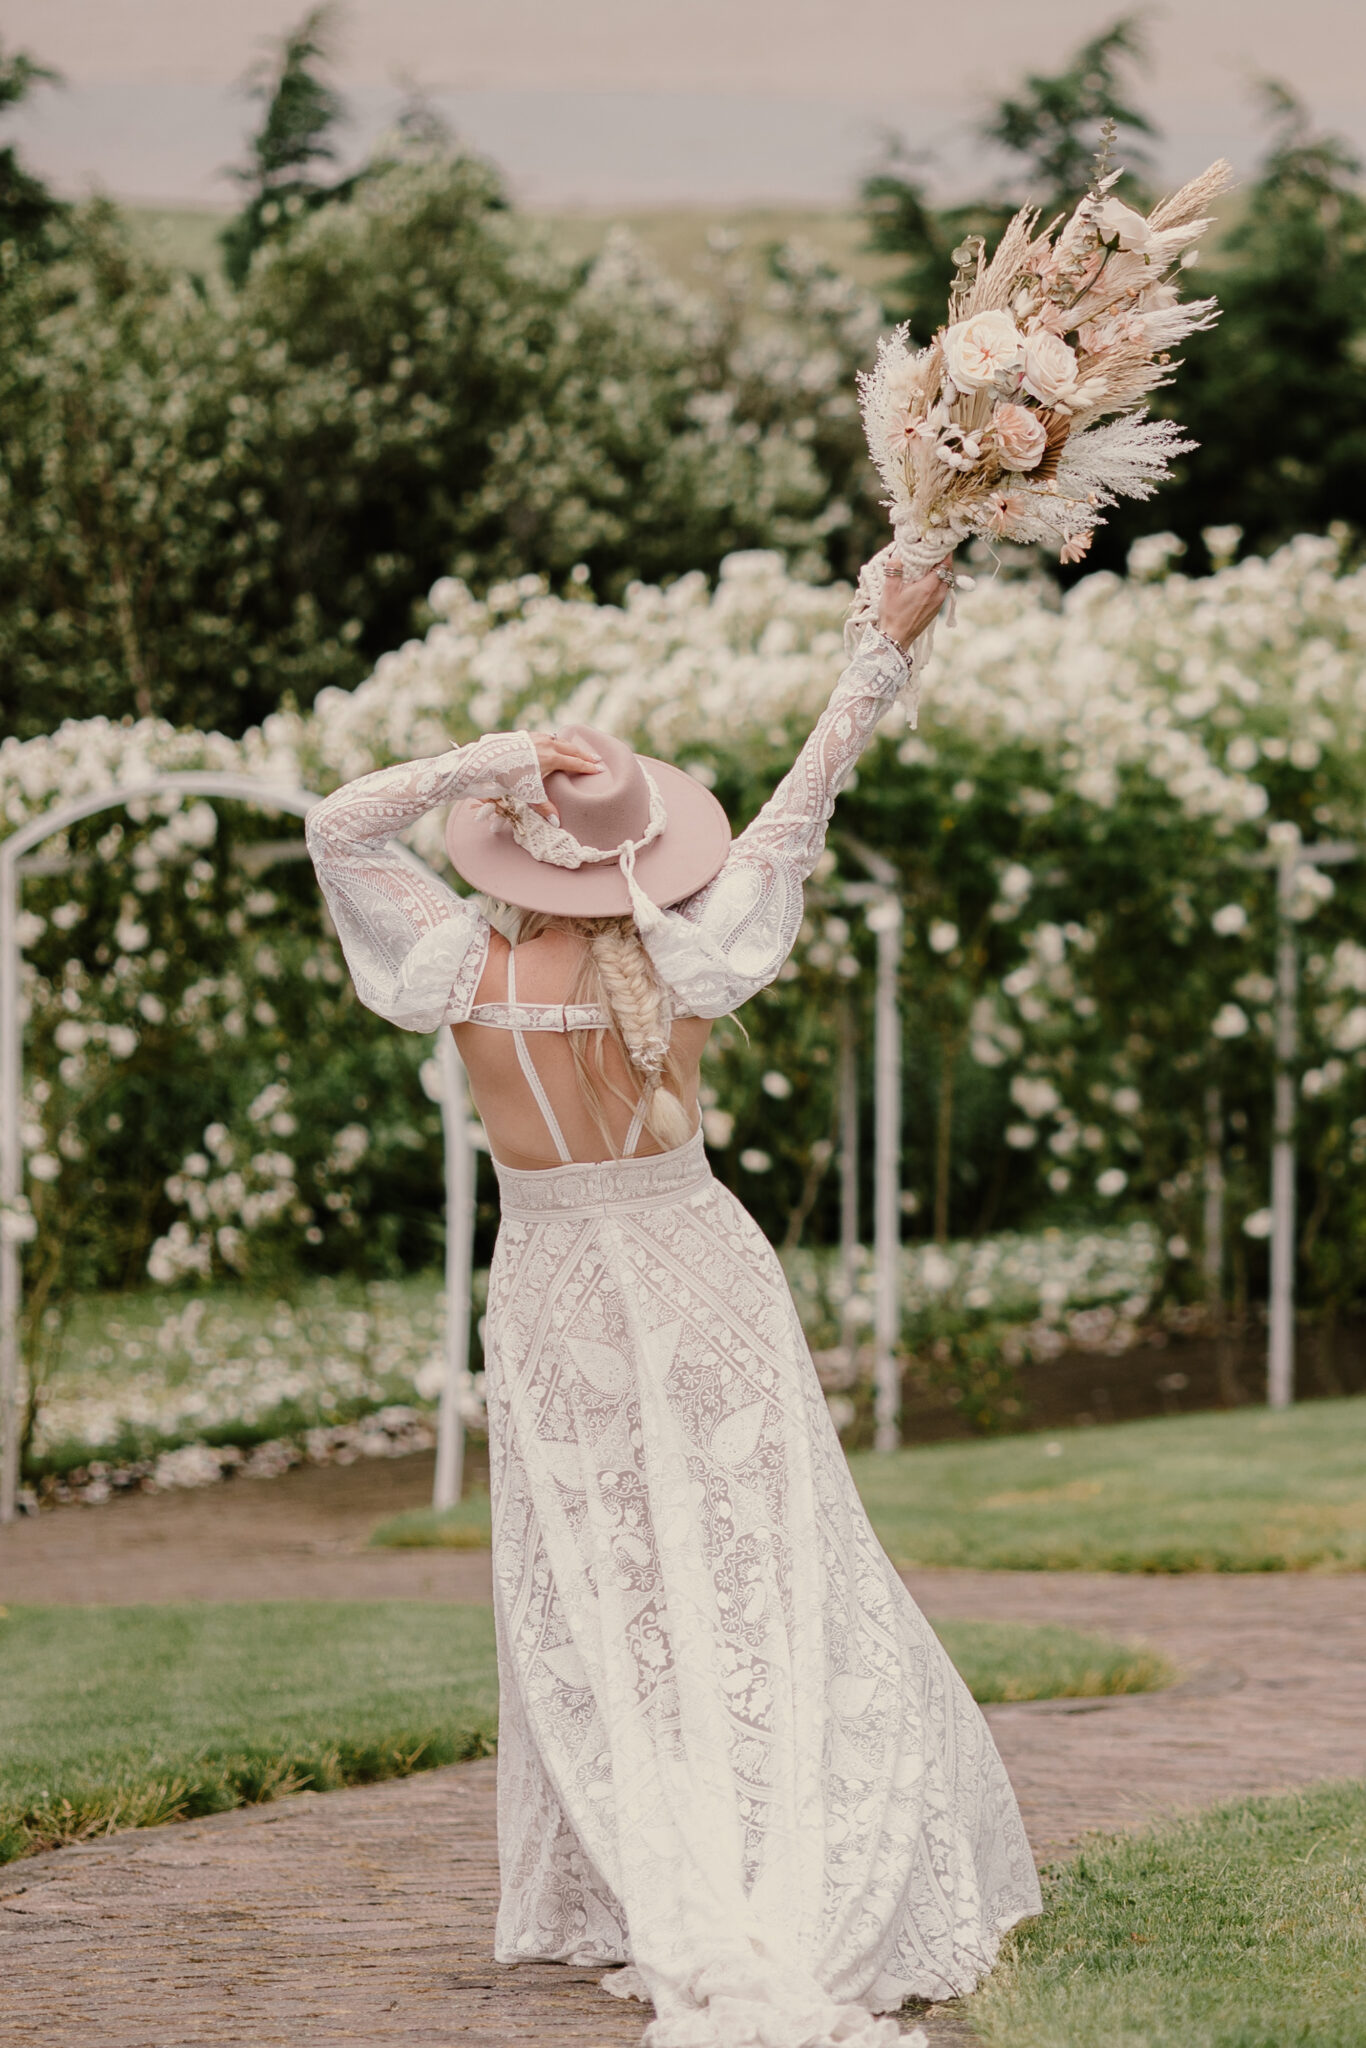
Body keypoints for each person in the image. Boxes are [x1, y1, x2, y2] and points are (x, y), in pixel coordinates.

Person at [305, 562, 1041, 2048]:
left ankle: (667, 1866)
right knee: (761, 1558)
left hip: (555, 1277)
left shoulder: (457, 964)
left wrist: (490, 761)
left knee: (607, 1582)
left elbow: (334, 822)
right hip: (692, 1264)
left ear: (505, 850)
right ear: (635, 851)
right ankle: (781, 1844)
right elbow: (805, 796)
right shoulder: (686, 950)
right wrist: (880, 646)